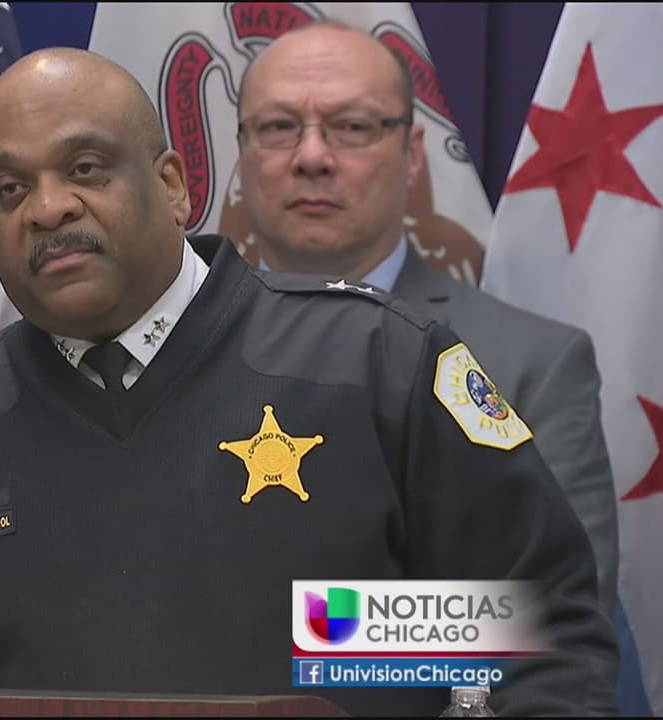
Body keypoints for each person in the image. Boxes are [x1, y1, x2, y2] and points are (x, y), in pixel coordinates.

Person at [0, 47, 617, 716]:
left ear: (174, 187)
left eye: (86, 168)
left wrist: (334, 635)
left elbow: (537, 641)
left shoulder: (376, 366)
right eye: (9, 188)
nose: (48, 208)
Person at [227, 20, 620, 623]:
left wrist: (307, 633)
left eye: (352, 126)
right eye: (278, 127)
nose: (312, 157)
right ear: (242, 151)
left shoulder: (531, 365)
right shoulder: (172, 349)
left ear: (412, 156)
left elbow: (556, 618)